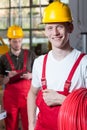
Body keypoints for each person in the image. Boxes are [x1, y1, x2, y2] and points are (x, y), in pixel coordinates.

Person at [27, 1, 87, 130]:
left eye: (60, 26)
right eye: (50, 27)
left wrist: (63, 100)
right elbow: (32, 93)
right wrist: (31, 125)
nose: (55, 33)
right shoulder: (39, 63)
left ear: (70, 28)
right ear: (45, 31)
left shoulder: (84, 63)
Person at [0, 25, 36, 130]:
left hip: (28, 97)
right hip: (11, 99)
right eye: (15, 42)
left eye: (19, 41)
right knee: (11, 125)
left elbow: (40, 74)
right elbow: (0, 79)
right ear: (9, 41)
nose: (18, 44)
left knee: (29, 123)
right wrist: (5, 80)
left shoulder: (30, 55)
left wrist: (31, 75)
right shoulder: (3, 58)